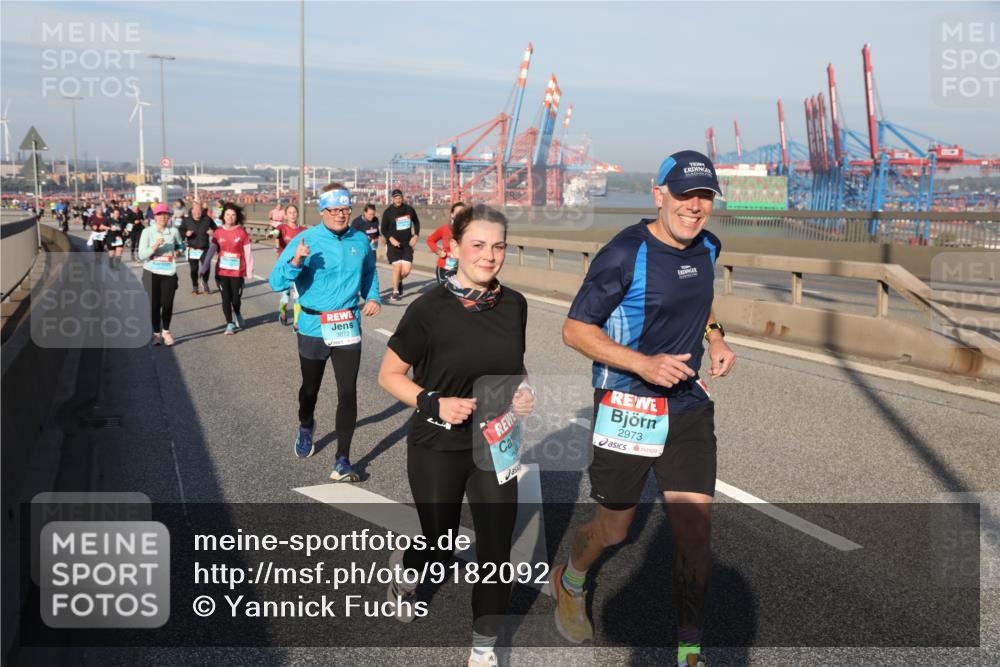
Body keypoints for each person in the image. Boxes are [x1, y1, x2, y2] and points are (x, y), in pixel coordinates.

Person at [551, 151, 736, 667]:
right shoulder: (623, 253)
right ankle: (570, 578)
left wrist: (716, 337)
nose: (695, 207)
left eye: (704, 197)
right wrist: (644, 364)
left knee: (695, 529)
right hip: (626, 403)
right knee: (615, 529)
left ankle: (689, 649)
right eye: (684, 195)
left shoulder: (708, 247)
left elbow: (700, 302)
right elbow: (575, 331)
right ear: (659, 195)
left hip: (688, 404)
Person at [378, 204, 532, 667]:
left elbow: (513, 365)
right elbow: (390, 374)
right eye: (478, 245)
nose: (489, 256)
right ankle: (408, 567)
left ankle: (483, 648)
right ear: (455, 248)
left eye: (498, 246)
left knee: (496, 546)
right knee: (438, 540)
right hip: (437, 443)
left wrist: (523, 391)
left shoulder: (515, 304)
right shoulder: (430, 309)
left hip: (494, 442)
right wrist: (434, 401)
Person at [268, 183, 380, 476]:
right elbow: (276, 282)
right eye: (334, 210)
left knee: (348, 392)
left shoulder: (360, 240)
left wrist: (373, 296)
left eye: (345, 209)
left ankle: (342, 459)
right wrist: (297, 261)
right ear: (323, 211)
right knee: (310, 390)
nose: (341, 215)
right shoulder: (306, 239)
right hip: (313, 325)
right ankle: (306, 425)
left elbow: (369, 272)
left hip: (346, 324)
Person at [202, 203, 254, 335]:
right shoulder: (218, 232)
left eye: (233, 215)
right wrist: (204, 266)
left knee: (235, 299)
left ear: (236, 217)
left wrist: (249, 271)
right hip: (222, 272)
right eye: (227, 215)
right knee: (226, 298)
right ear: (223, 216)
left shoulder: (241, 232)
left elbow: (248, 252)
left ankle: (237, 312)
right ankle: (229, 324)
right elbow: (211, 251)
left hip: (237, 272)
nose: (230, 217)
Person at [138, 203, 185, 346]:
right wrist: (154, 246)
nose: (163, 217)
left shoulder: (174, 231)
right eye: (159, 214)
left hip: (168, 272)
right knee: (154, 305)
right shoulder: (147, 232)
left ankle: (166, 331)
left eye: (165, 214)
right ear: (154, 216)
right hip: (151, 273)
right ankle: (156, 334)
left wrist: (178, 251)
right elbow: (141, 255)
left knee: (167, 303)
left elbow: (181, 245)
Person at [380, 188, 420, 300]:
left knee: (406, 271)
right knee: (397, 268)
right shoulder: (388, 212)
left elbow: (416, 222)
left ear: (402, 198)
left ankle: (398, 281)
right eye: (396, 198)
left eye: (400, 198)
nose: (398, 200)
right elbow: (383, 229)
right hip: (393, 245)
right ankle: (395, 291)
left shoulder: (409, 210)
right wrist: (390, 238)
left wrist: (416, 235)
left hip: (407, 244)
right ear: (392, 199)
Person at [273, 204, 307, 328]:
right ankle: (282, 310)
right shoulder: (282, 227)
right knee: (286, 295)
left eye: (294, 212)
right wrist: (273, 234)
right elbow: (276, 232)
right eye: (290, 212)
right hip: (285, 266)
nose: (292, 215)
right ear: (286, 215)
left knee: (298, 295)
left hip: (299, 266)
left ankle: (296, 323)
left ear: (297, 214)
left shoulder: (303, 230)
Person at [426, 201, 465, 284]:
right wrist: (438, 251)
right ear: (452, 214)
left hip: (462, 269)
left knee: (459, 294)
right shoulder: (445, 229)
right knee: (444, 294)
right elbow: (430, 240)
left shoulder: (469, 230)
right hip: (444, 268)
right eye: (457, 213)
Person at [181, 201, 215, 295]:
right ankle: (195, 286)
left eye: (199, 210)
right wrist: (185, 234)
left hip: (205, 248)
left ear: (202, 211)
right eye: (195, 210)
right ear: (191, 211)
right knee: (193, 269)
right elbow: (180, 231)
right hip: (192, 249)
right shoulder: (186, 220)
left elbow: (216, 229)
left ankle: (205, 283)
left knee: (206, 267)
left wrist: (212, 232)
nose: (197, 212)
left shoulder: (207, 219)